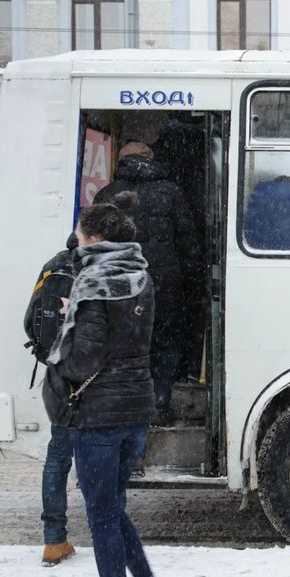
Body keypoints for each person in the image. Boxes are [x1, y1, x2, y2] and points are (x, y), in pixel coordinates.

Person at [44, 192, 176, 577]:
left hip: (99, 413)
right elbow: (131, 338)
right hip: (136, 406)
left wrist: (59, 357)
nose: (76, 239)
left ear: (95, 237)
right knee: (113, 509)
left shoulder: (94, 280)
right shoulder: (140, 276)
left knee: (101, 517)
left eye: (81, 233)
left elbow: (85, 358)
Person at [95, 141, 199, 421]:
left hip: (119, 287)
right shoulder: (171, 192)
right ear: (151, 158)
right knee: (166, 341)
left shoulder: (107, 194)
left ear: (121, 161)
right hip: (163, 286)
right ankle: (158, 403)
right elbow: (188, 243)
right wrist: (191, 281)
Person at [24, 232, 79, 567]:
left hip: (59, 377)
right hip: (92, 380)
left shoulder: (54, 265)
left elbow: (31, 320)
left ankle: (54, 541)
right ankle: (110, 532)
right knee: (103, 458)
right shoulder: (104, 270)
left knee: (58, 460)